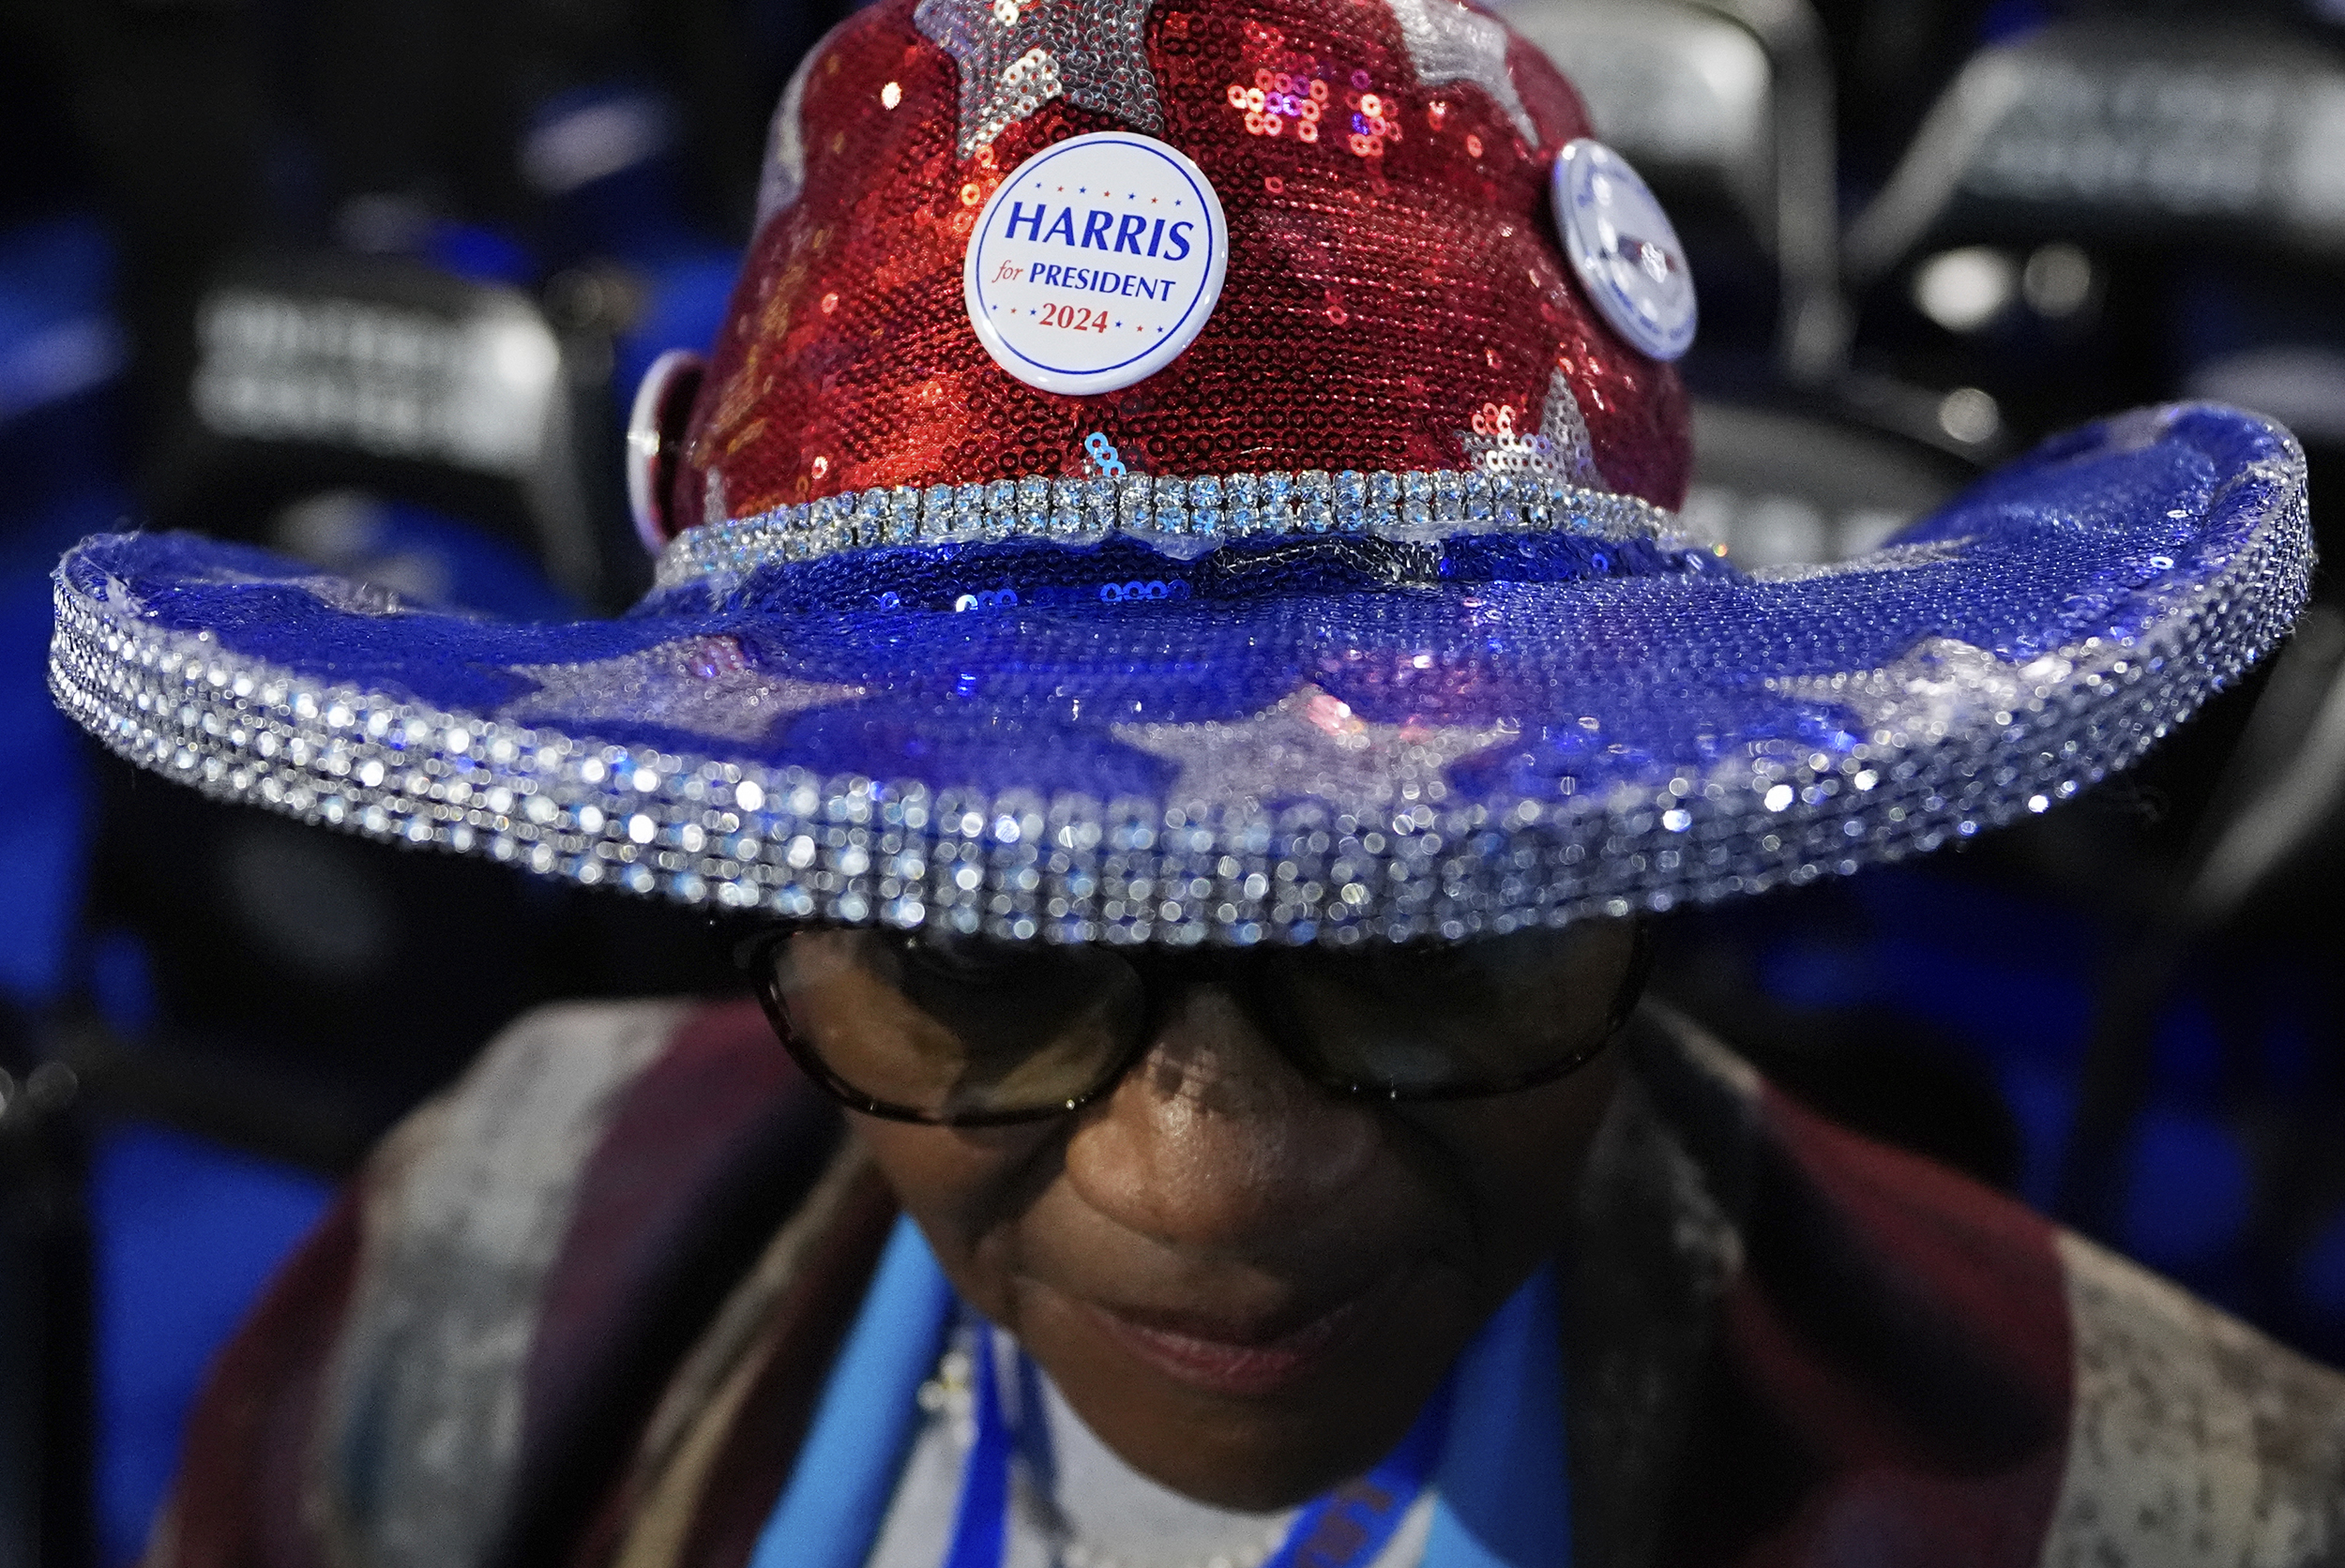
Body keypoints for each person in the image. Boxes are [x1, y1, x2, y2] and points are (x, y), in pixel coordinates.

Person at [49, 0, 2344, 1562]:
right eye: (972, 931)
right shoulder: (468, 1278)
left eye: (1425, 918)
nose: (1211, 1176)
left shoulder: (2163, 1495)